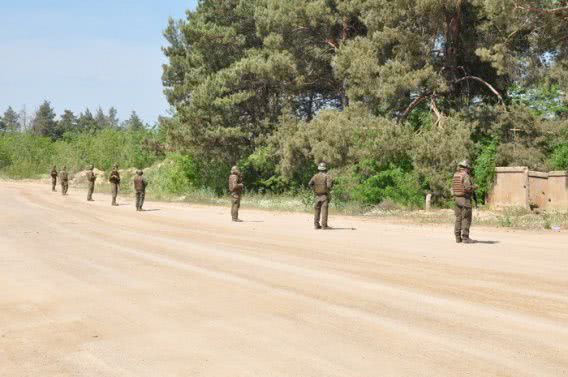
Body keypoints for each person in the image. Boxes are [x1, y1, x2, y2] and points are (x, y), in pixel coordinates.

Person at [452, 160, 478, 244]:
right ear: (466, 168)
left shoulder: (455, 175)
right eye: (468, 168)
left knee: (458, 219)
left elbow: (453, 188)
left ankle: (457, 238)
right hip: (464, 199)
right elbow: (467, 188)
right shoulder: (465, 175)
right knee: (466, 218)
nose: (468, 170)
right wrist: (475, 187)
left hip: (456, 199)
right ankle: (465, 238)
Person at [309, 162, 333, 229]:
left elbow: (310, 184)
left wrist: (314, 190)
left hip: (317, 196)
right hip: (324, 196)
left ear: (319, 169)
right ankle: (324, 226)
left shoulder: (315, 176)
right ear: (325, 169)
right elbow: (329, 186)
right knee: (324, 210)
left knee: (317, 210)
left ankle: (316, 225)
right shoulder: (327, 176)